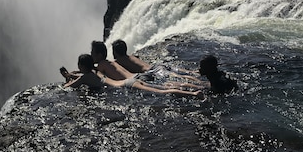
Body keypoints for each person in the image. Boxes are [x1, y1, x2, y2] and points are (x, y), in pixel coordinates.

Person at [61, 54, 203, 98]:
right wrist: (70, 74)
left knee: (161, 91)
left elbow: (68, 86)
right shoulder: (95, 72)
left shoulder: (85, 76)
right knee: (163, 86)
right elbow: (79, 77)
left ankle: (195, 94)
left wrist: (67, 79)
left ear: (81, 66)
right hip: (131, 80)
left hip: (127, 86)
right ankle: (195, 87)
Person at [111, 39, 203, 85]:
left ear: (115, 52)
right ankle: (196, 75)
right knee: (182, 73)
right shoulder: (131, 56)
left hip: (154, 71)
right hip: (158, 65)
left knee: (177, 78)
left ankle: (202, 84)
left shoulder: (118, 61)